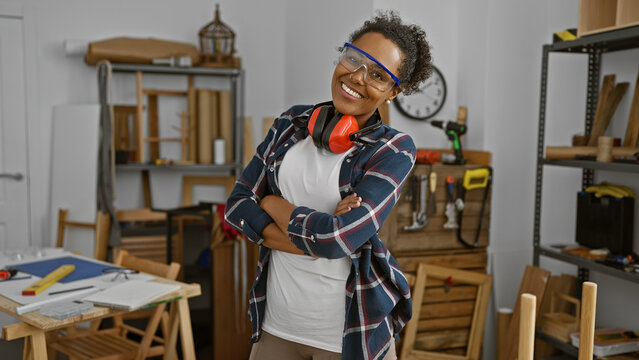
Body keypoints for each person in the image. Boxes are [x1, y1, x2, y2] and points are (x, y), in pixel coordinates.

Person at [225, 10, 432, 360]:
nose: (357, 76)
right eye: (354, 59)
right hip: (276, 323)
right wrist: (322, 234)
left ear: (393, 92)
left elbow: (337, 240)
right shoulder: (291, 123)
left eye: (379, 75)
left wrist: (271, 205)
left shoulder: (394, 150)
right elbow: (236, 206)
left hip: (347, 336)